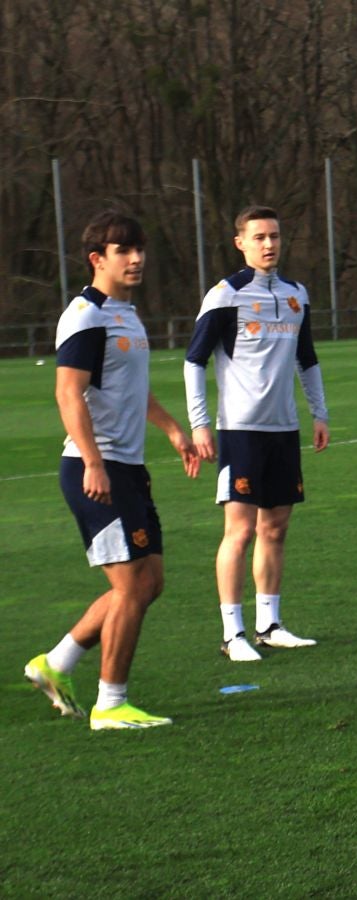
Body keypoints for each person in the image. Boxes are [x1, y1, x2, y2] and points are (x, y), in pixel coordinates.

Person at [25, 211, 199, 730]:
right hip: (92, 469)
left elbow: (131, 390)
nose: (137, 258)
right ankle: (111, 704)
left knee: (150, 583)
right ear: (97, 258)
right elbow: (67, 392)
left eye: (140, 248)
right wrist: (95, 463)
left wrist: (170, 429)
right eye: (124, 250)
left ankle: (55, 664)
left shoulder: (127, 314)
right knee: (130, 586)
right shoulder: (85, 315)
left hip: (128, 468)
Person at [184, 206, 330, 662]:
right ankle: (233, 634)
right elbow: (194, 360)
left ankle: (270, 625)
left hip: (283, 431)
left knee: (276, 528)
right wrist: (200, 422)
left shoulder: (295, 295)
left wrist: (319, 414)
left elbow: (307, 358)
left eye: (275, 236)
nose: (269, 244)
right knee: (240, 531)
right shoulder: (225, 296)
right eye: (260, 237)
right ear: (241, 243)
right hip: (240, 432)